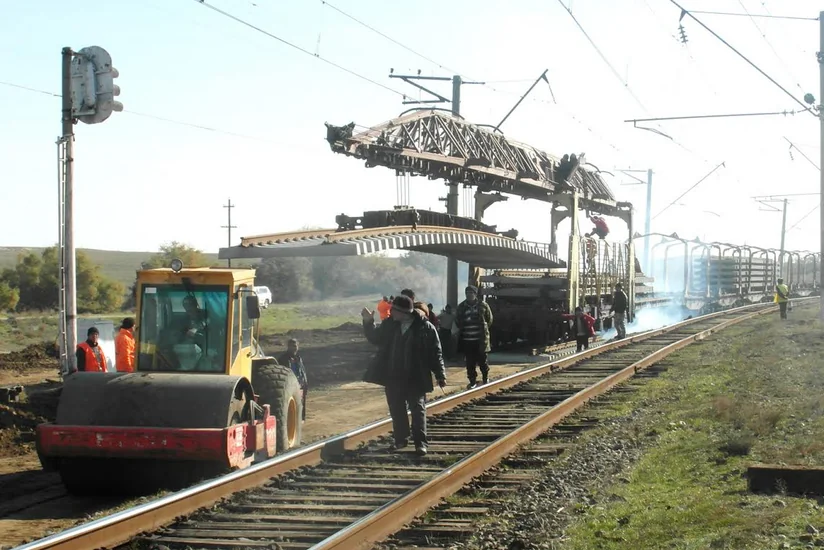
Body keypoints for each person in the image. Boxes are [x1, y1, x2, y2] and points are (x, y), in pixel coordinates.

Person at [361, 295, 446, 456]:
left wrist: (440, 374)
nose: (390, 312)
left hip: (416, 376)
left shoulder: (425, 327)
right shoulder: (389, 325)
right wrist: (368, 322)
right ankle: (401, 440)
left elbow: (436, 352)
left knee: (417, 409)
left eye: (393, 309)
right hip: (393, 375)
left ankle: (420, 443)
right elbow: (375, 338)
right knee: (397, 409)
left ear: (402, 312)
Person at [456, 286, 494, 389]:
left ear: (475, 294)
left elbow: (489, 320)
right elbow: (457, 321)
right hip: (467, 341)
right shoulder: (461, 307)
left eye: (471, 293)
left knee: (483, 361)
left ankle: (485, 378)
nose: (469, 295)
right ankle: (472, 381)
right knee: (470, 363)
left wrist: (483, 329)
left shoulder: (483, 306)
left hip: (480, 340)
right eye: (467, 293)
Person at [278, 338, 308, 421]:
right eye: (292, 346)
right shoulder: (283, 359)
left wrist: (305, 384)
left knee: (300, 405)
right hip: (289, 387)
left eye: (295, 346)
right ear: (288, 347)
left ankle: (300, 420)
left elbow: (302, 372)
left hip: (299, 385)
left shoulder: (298, 358)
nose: (294, 348)